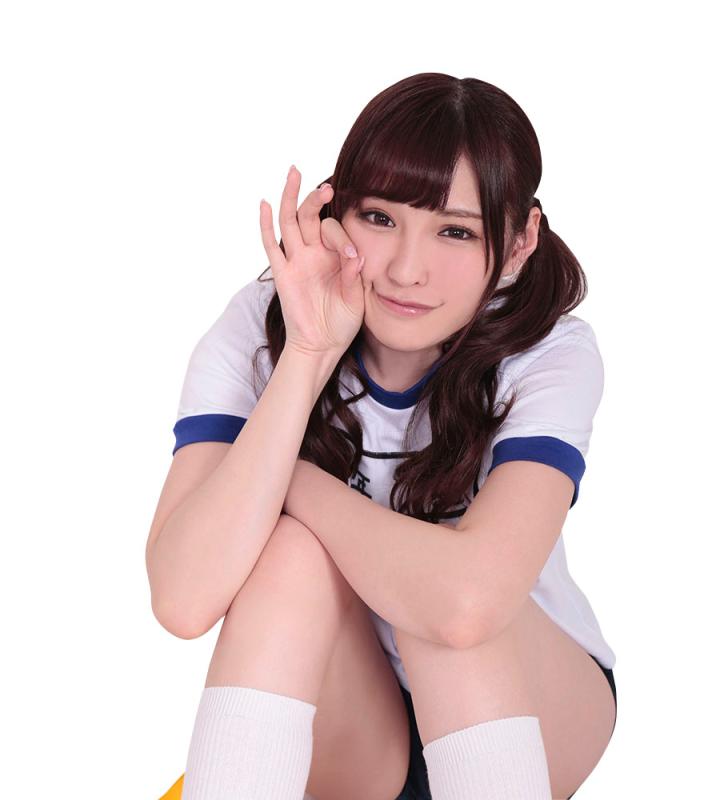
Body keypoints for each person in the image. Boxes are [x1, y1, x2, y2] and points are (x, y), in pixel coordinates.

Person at [147, 72, 617, 800]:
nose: (406, 269)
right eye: (380, 218)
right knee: (292, 557)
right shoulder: (263, 326)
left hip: (528, 704)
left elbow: (467, 605)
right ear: (334, 213)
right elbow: (183, 599)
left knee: (446, 600)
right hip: (354, 723)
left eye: (456, 231)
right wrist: (309, 353)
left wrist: (290, 481)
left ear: (521, 240)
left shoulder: (548, 351)